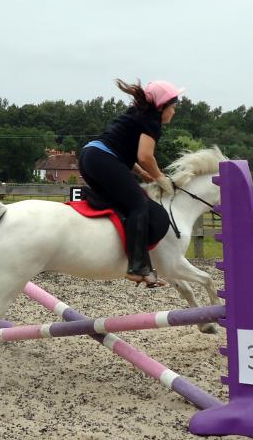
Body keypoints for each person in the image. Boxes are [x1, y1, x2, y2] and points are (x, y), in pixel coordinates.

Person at [78, 78, 183, 288]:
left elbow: (124, 152)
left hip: (90, 156)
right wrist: (160, 178)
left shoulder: (137, 114)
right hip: (102, 158)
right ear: (161, 106)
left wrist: (143, 174)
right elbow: (145, 156)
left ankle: (121, 253)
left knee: (123, 205)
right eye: (173, 107)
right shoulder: (151, 120)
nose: (174, 112)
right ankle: (137, 267)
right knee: (138, 205)